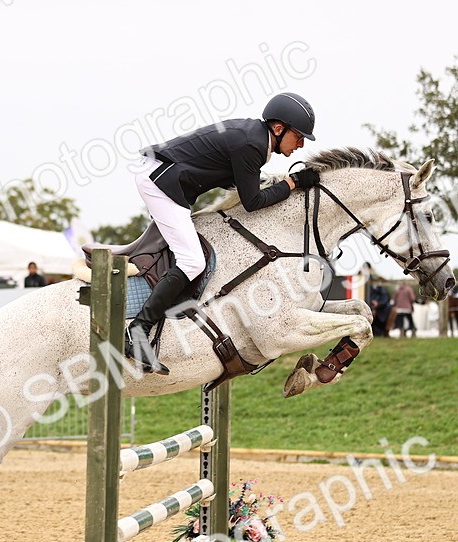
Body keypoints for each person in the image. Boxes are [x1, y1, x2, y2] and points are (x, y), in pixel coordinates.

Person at [124, 92, 320, 374]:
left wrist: (287, 184)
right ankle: (138, 330)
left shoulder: (254, 137)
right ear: (279, 129)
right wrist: (292, 182)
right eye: (299, 137)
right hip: (159, 180)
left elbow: (241, 185)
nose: (300, 145)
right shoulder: (252, 143)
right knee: (192, 261)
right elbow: (252, 203)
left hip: (164, 177)